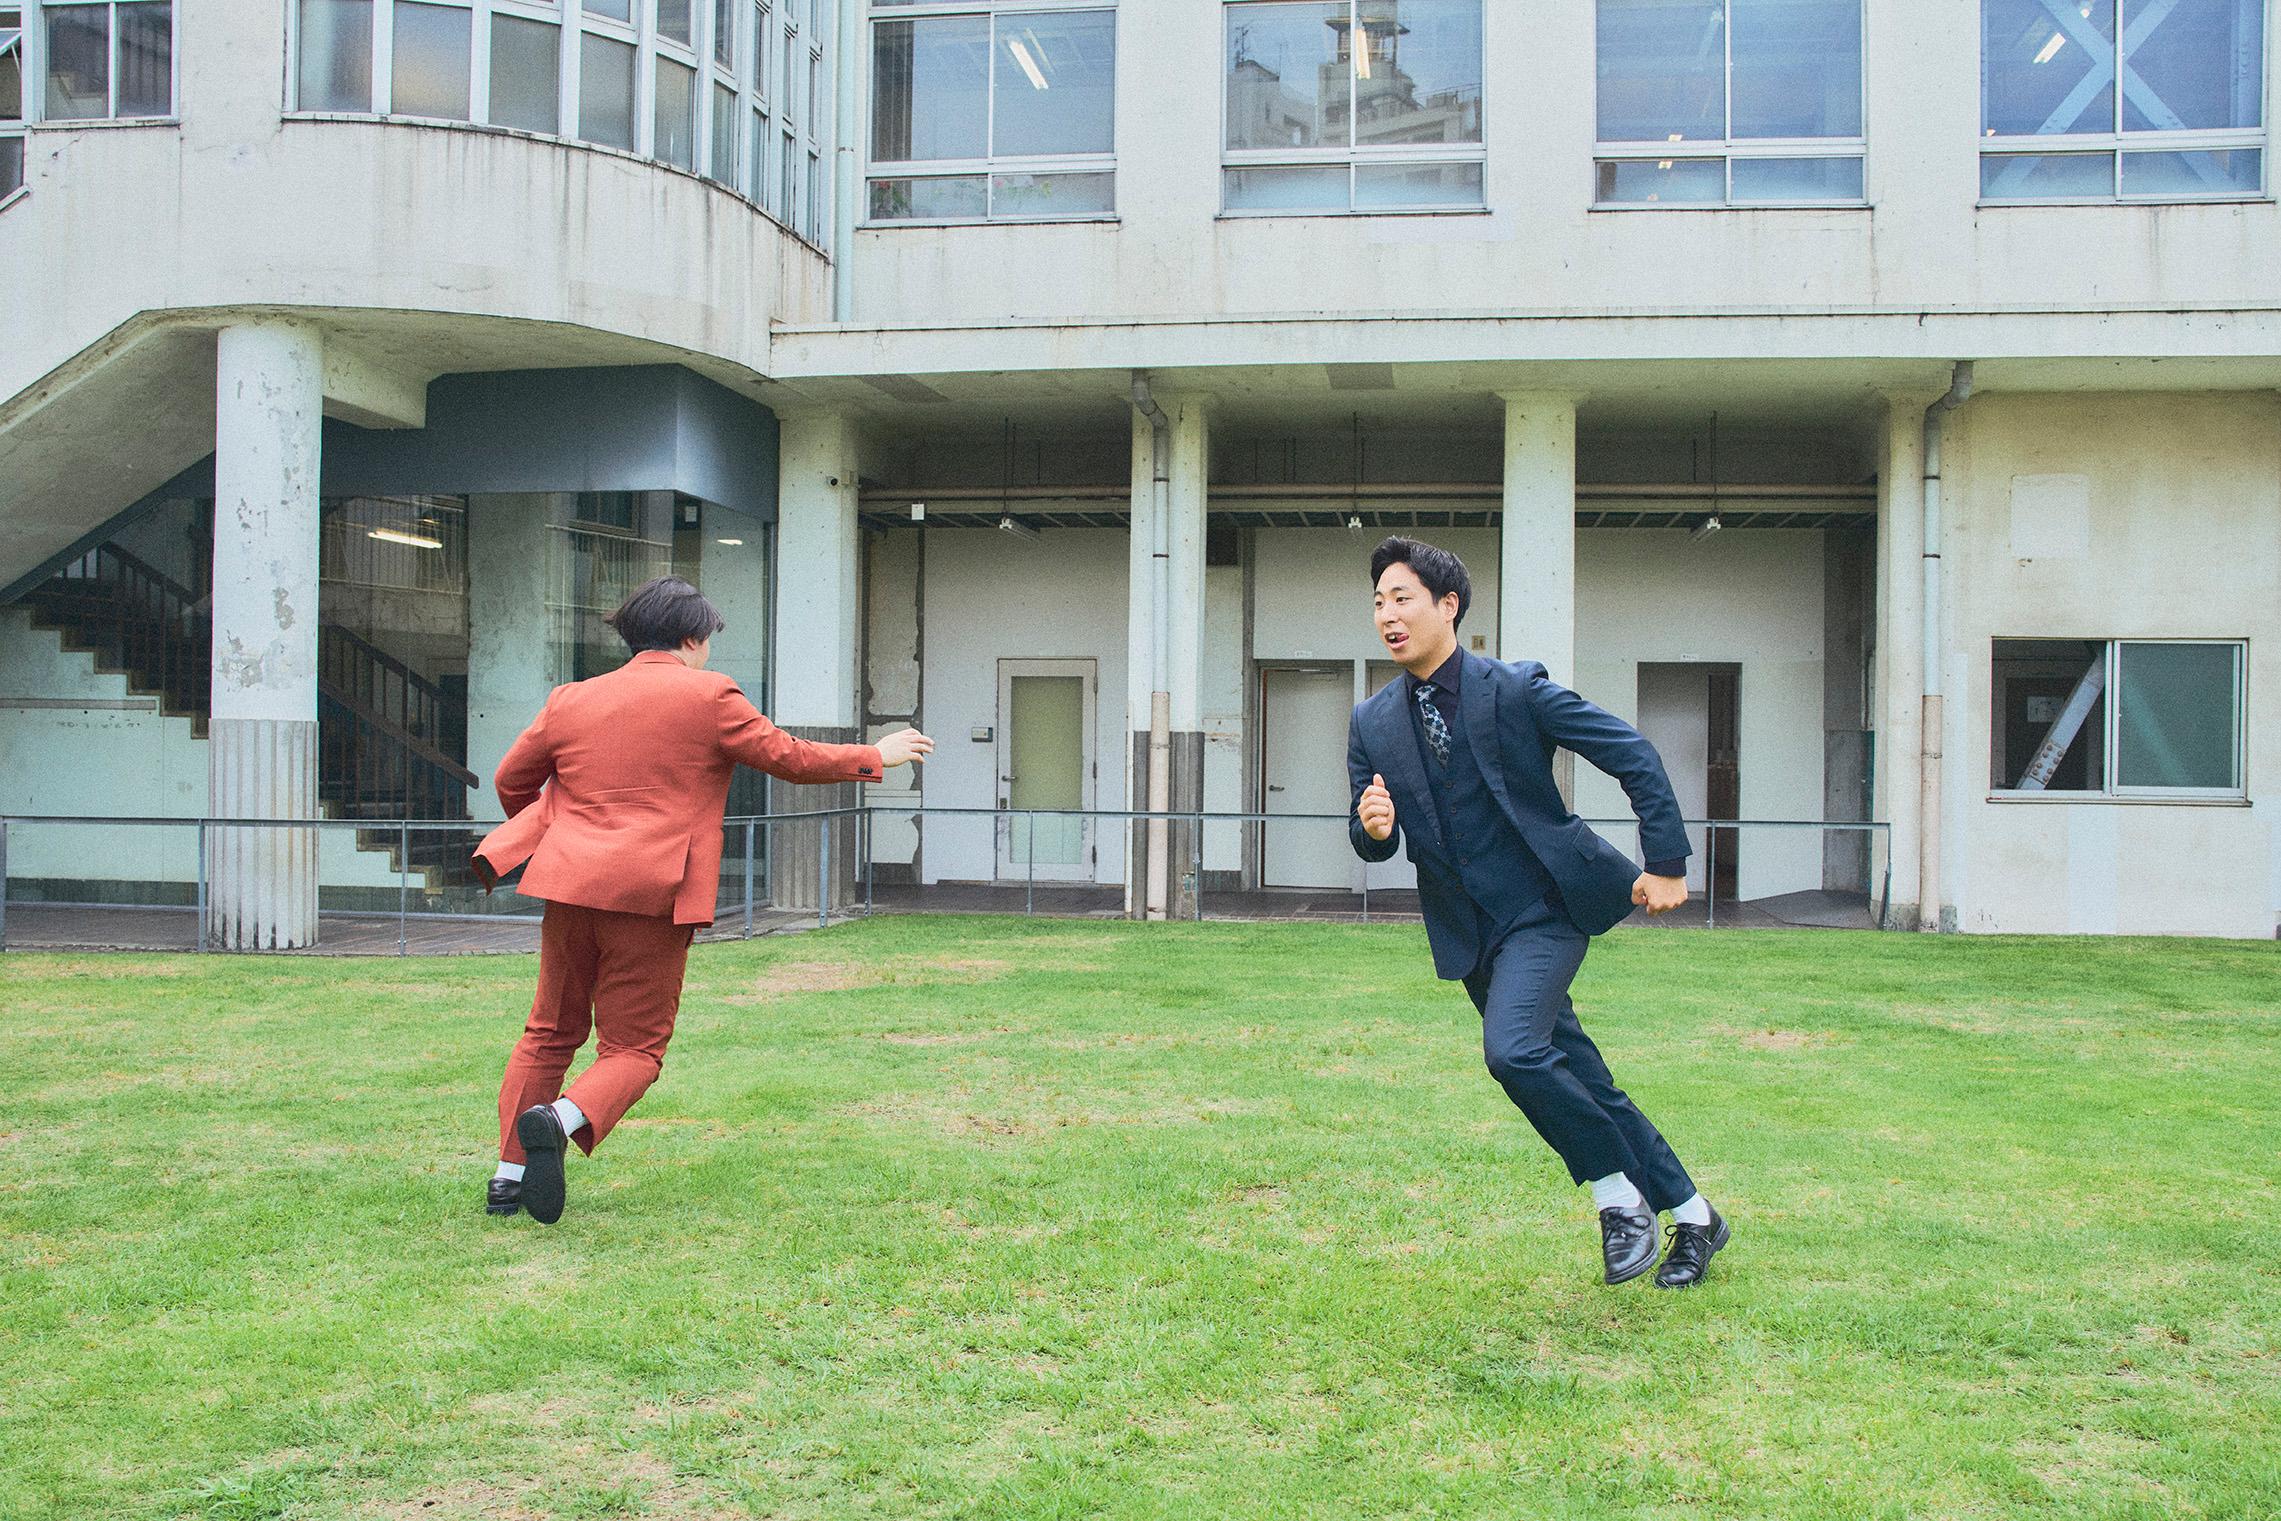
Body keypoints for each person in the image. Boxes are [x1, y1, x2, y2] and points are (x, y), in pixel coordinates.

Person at [471, 576, 932, 1224]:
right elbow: (789, 757)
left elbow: (511, 780)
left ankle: (508, 1177)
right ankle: (561, 1117)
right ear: (692, 637)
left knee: (549, 1031)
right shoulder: (710, 694)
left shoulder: (570, 697)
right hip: (652, 892)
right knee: (634, 1049)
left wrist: (566, 832)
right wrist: (874, 754)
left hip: (568, 886)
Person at [1347, 537, 1728, 1288]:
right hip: (1469, 933)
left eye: (1402, 598)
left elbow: (1633, 754)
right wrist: (1372, 826)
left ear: (1447, 605)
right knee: (1584, 1079)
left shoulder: (1517, 689)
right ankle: (1694, 1216)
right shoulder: (1371, 720)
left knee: (1513, 1052)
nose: (1387, 615)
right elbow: (1368, 837)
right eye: (1378, 602)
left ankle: (1617, 1197)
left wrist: (1666, 863)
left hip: (1547, 908)